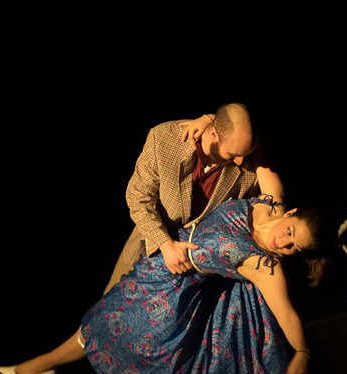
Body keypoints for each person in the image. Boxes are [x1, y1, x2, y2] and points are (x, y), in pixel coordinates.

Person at [0, 193, 337, 374]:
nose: (283, 243)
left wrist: (302, 352)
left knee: (108, 327)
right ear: (290, 213)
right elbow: (255, 148)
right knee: (101, 321)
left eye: (294, 248)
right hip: (160, 266)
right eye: (290, 232)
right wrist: (206, 121)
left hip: (175, 293)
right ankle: (41, 368)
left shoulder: (265, 266)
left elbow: (287, 315)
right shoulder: (269, 202)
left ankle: (37, 367)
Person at [102, 102, 285, 293]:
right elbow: (137, 196)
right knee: (108, 307)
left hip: (197, 275)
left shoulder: (247, 167)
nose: (240, 161)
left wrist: (210, 117)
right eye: (233, 154)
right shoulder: (164, 138)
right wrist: (165, 244)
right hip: (147, 247)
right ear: (213, 134)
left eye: (244, 155)